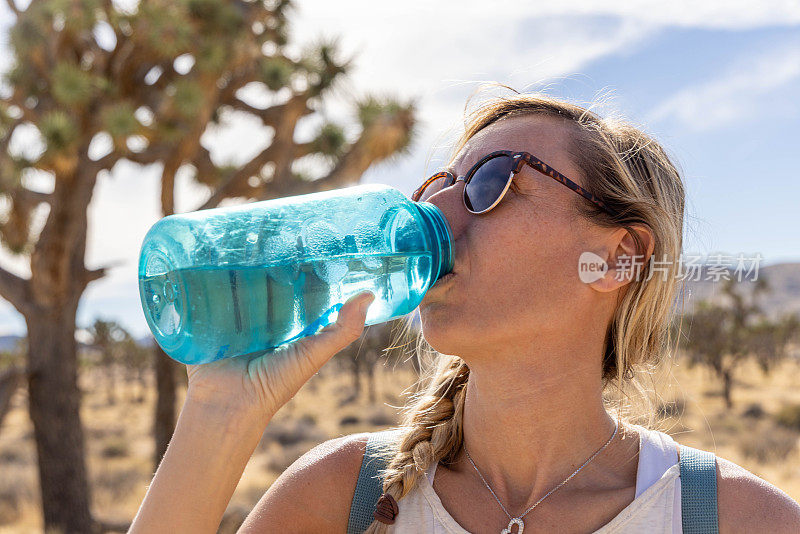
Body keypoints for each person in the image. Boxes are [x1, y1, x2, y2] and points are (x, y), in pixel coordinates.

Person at [130, 91, 800, 534]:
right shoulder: (343, 497)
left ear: (620, 256)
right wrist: (221, 413)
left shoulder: (729, 518)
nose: (435, 214)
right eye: (436, 185)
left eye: (491, 182)